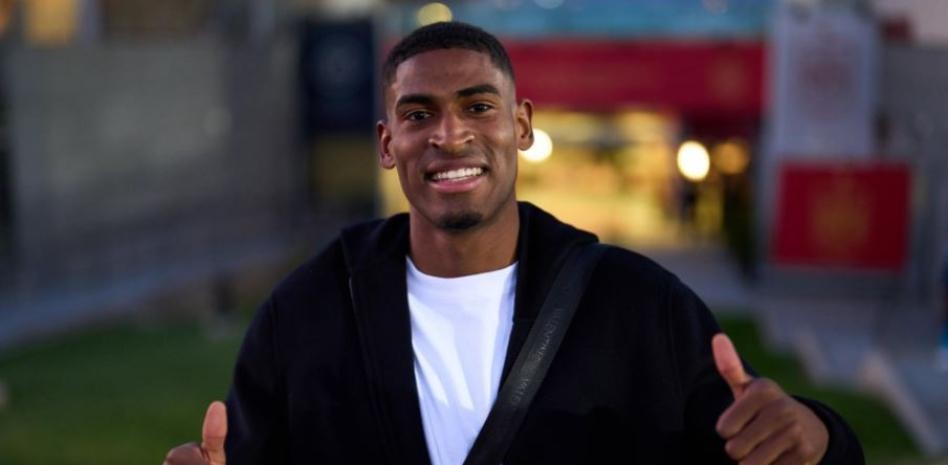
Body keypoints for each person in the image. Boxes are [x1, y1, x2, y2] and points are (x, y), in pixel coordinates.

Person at [163, 21, 863, 465]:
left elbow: (765, 445)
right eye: (418, 114)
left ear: (521, 126)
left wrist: (818, 437)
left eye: (478, 106)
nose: (450, 135)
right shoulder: (306, 313)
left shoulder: (639, 305)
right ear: (386, 142)